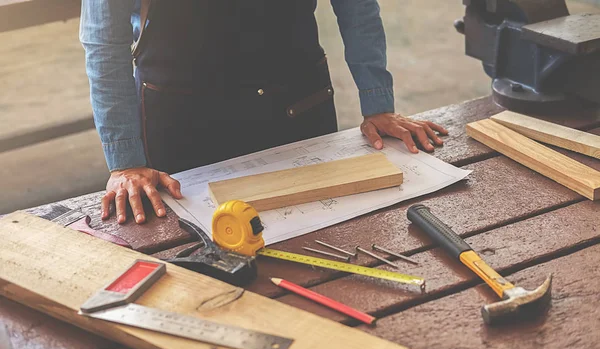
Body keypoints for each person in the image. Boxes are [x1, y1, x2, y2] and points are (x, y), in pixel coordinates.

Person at [80, 0, 448, 225]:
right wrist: (126, 161)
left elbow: (357, 7)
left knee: (336, 240)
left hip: (299, 108)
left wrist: (378, 102)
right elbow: (104, 42)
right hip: (183, 122)